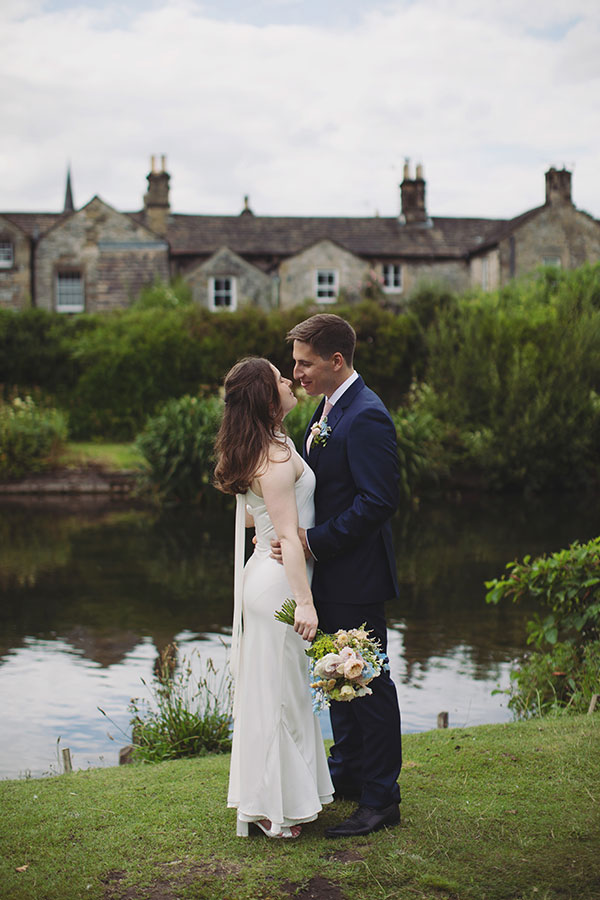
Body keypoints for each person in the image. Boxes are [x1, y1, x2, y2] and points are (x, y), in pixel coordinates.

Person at [273, 313, 402, 838]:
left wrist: (311, 541)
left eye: (304, 363)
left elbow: (378, 502)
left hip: (357, 577)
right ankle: (348, 774)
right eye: (295, 363)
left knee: (368, 685)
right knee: (337, 680)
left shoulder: (366, 415)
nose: (296, 372)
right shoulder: (328, 409)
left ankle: (381, 799)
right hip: (329, 576)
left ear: (336, 360)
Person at [213, 357, 334, 839]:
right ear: (268, 398)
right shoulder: (276, 456)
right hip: (279, 587)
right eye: (281, 379)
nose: (290, 381)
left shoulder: (272, 443)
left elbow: (254, 519)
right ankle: (273, 810)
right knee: (278, 698)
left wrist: (271, 527)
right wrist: (305, 605)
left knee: (277, 693)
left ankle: (280, 799)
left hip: (265, 574)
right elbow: (285, 531)